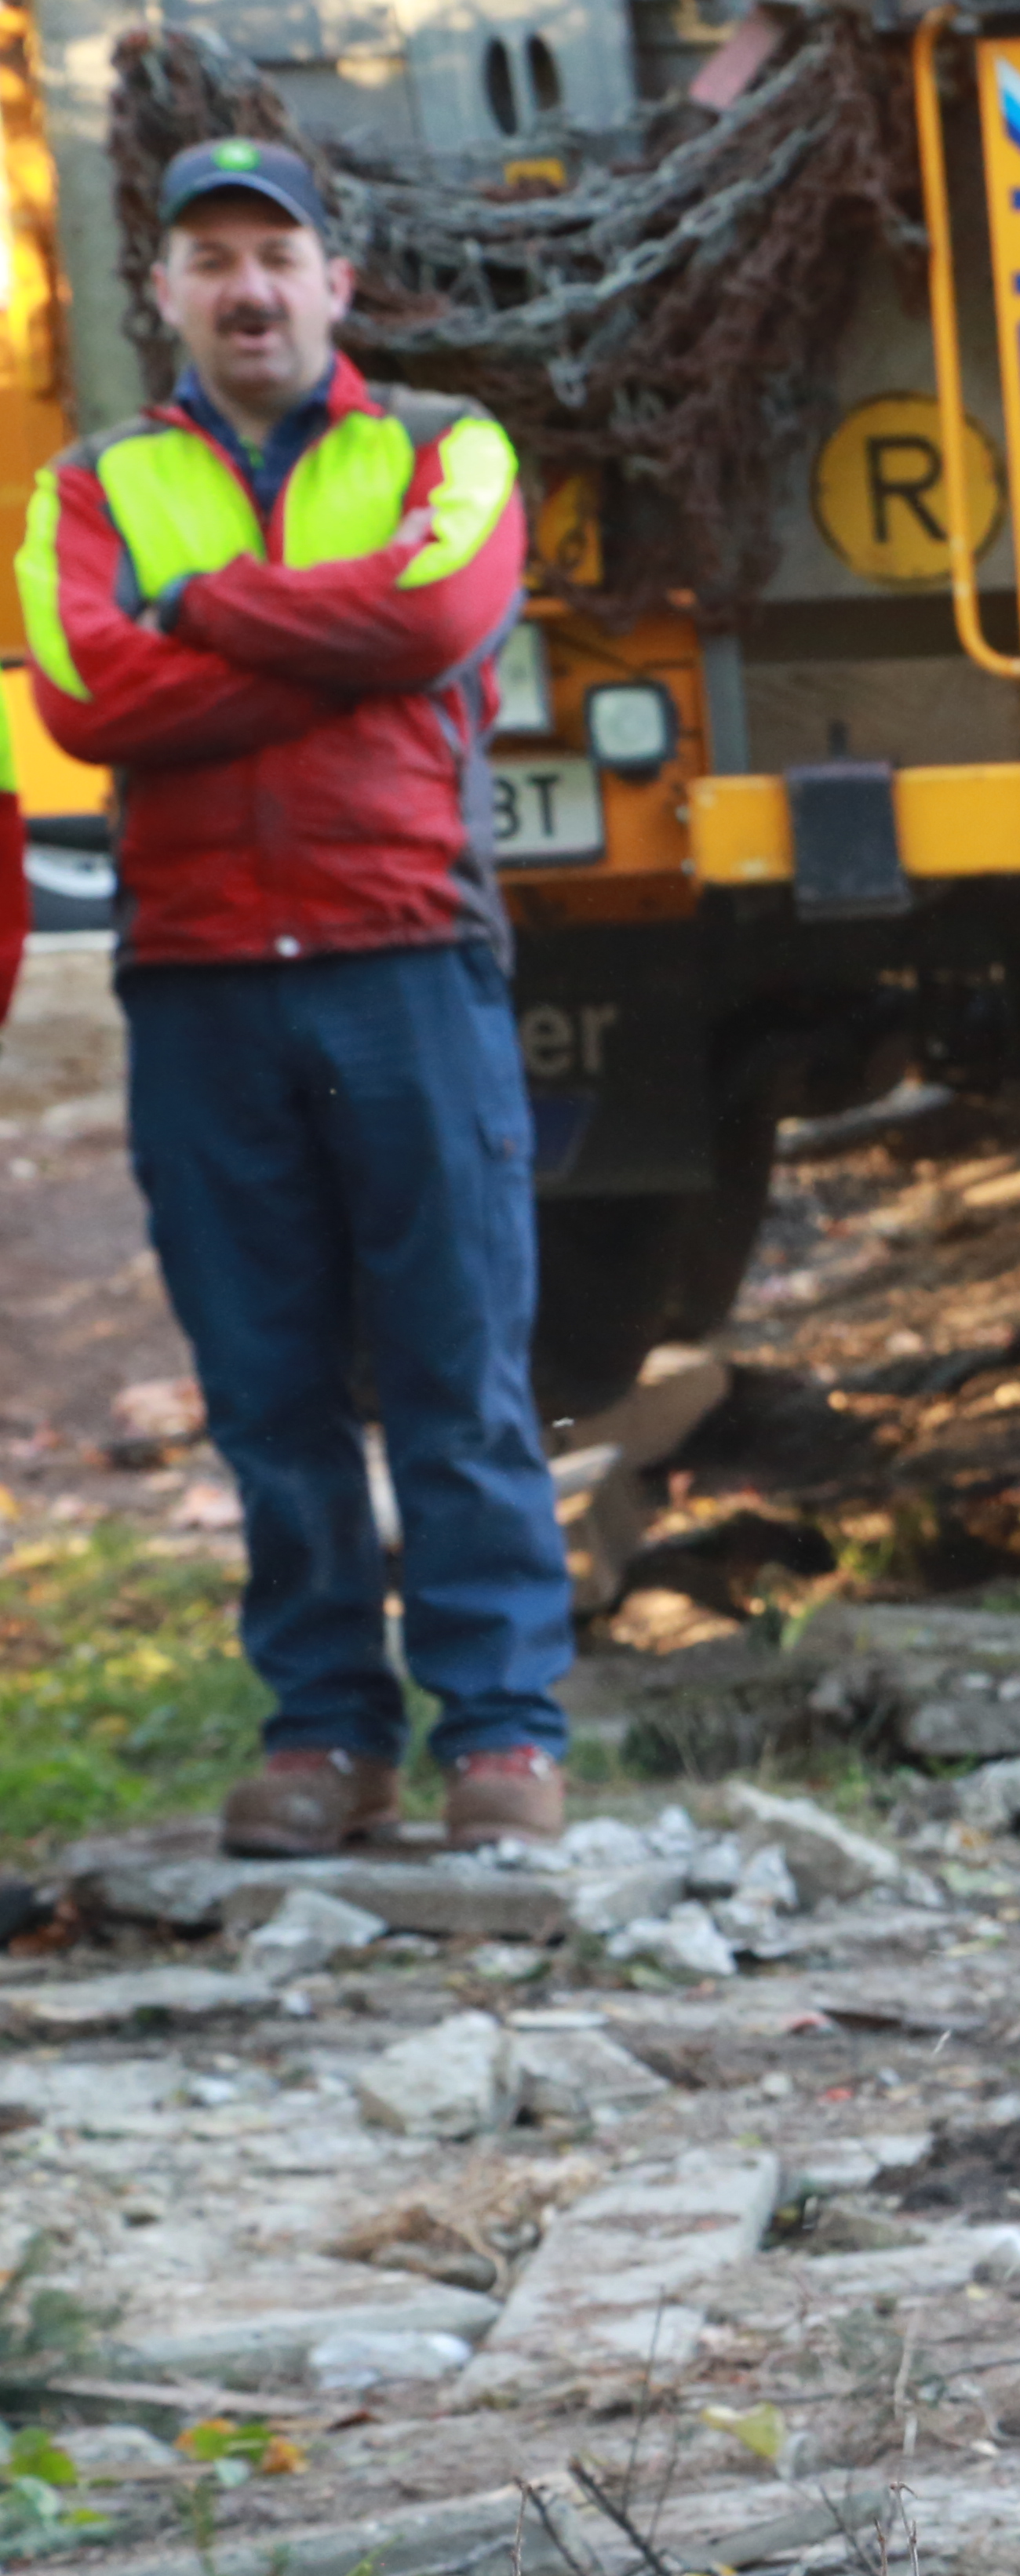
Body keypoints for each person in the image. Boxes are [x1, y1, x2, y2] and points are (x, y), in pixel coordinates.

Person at [21, 137, 567, 1851]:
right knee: (267, 1387)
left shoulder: (445, 447)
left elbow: (435, 621)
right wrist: (318, 657)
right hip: (197, 987)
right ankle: (325, 1735)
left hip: (402, 960)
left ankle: (501, 1735)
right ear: (165, 293)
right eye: (212, 261)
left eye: (278, 254)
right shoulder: (89, 488)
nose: (248, 288)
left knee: (458, 1367)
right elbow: (90, 699)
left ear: (338, 282)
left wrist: (200, 614)